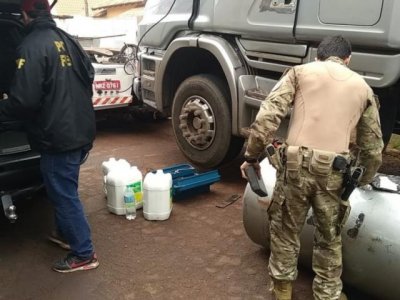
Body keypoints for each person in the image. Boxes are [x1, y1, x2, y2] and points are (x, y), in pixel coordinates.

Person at [240, 35, 383, 300]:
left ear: (317, 56)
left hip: (293, 169)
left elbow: (266, 118)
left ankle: (282, 289)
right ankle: (327, 294)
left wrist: (251, 156)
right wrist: (363, 177)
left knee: (285, 230)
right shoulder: (364, 88)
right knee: (329, 238)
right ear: (348, 59)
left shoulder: (299, 73)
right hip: (334, 174)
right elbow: (373, 147)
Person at [0, 0, 99, 273]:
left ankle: (84, 254)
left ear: (24, 15)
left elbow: (24, 101)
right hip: (79, 129)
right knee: (64, 190)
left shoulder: (31, 46)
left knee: (64, 194)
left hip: (58, 136)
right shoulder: (67, 39)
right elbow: (89, 75)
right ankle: (66, 234)